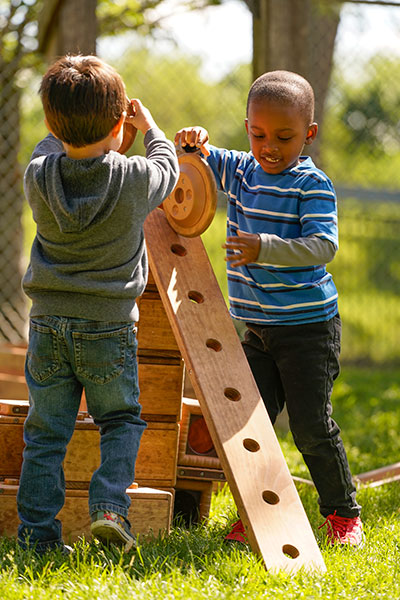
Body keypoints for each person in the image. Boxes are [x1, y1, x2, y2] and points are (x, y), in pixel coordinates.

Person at [175, 70, 363, 547]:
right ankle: (256, 515)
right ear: (248, 129)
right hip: (256, 329)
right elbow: (195, 161)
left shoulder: (311, 184)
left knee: (310, 426)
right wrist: (189, 140)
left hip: (307, 330)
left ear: (309, 134)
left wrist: (265, 248)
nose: (269, 147)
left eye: (284, 137)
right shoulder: (240, 170)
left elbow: (322, 245)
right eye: (259, 135)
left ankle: (343, 515)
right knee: (249, 428)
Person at [17, 54, 179, 554]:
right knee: (120, 420)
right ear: (118, 124)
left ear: (48, 123)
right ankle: (110, 511)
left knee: (45, 433)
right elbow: (167, 167)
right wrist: (147, 126)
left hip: (47, 326)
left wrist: (88, 131)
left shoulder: (38, 177)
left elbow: (55, 147)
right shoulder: (133, 180)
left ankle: (38, 538)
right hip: (108, 329)